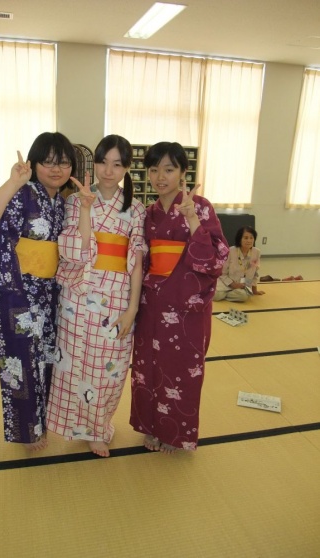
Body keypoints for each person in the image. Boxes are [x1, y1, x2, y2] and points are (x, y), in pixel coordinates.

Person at [0, 132, 76, 451]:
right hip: (15, 291)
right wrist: (13, 182)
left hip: (48, 293)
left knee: (46, 359)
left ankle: (40, 422)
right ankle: (26, 431)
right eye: (48, 162)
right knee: (20, 361)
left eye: (63, 162)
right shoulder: (21, 193)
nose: (56, 169)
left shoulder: (62, 203)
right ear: (33, 163)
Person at [47, 134, 146, 457]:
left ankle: (98, 428)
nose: (108, 170)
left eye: (117, 164)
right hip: (79, 294)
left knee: (107, 368)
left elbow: (137, 262)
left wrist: (132, 308)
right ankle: (75, 426)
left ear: (127, 168)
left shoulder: (136, 209)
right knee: (74, 363)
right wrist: (87, 208)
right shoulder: (76, 201)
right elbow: (75, 251)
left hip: (116, 296)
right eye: (103, 162)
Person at [130, 141, 229, 454]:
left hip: (185, 303)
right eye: (154, 169)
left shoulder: (200, 206)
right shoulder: (149, 213)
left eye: (169, 169)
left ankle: (174, 433)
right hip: (152, 302)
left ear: (183, 173)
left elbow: (216, 259)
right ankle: (151, 426)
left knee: (180, 367)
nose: (160, 176)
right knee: (148, 366)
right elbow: (142, 259)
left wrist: (193, 220)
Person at [213, 226, 265, 302]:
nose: (249, 240)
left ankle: (226, 295)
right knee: (216, 296)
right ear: (239, 239)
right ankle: (227, 294)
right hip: (227, 283)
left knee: (243, 296)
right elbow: (222, 273)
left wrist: (254, 290)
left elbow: (255, 273)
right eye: (246, 238)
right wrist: (233, 285)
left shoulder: (256, 252)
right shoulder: (231, 251)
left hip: (242, 285)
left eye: (251, 238)